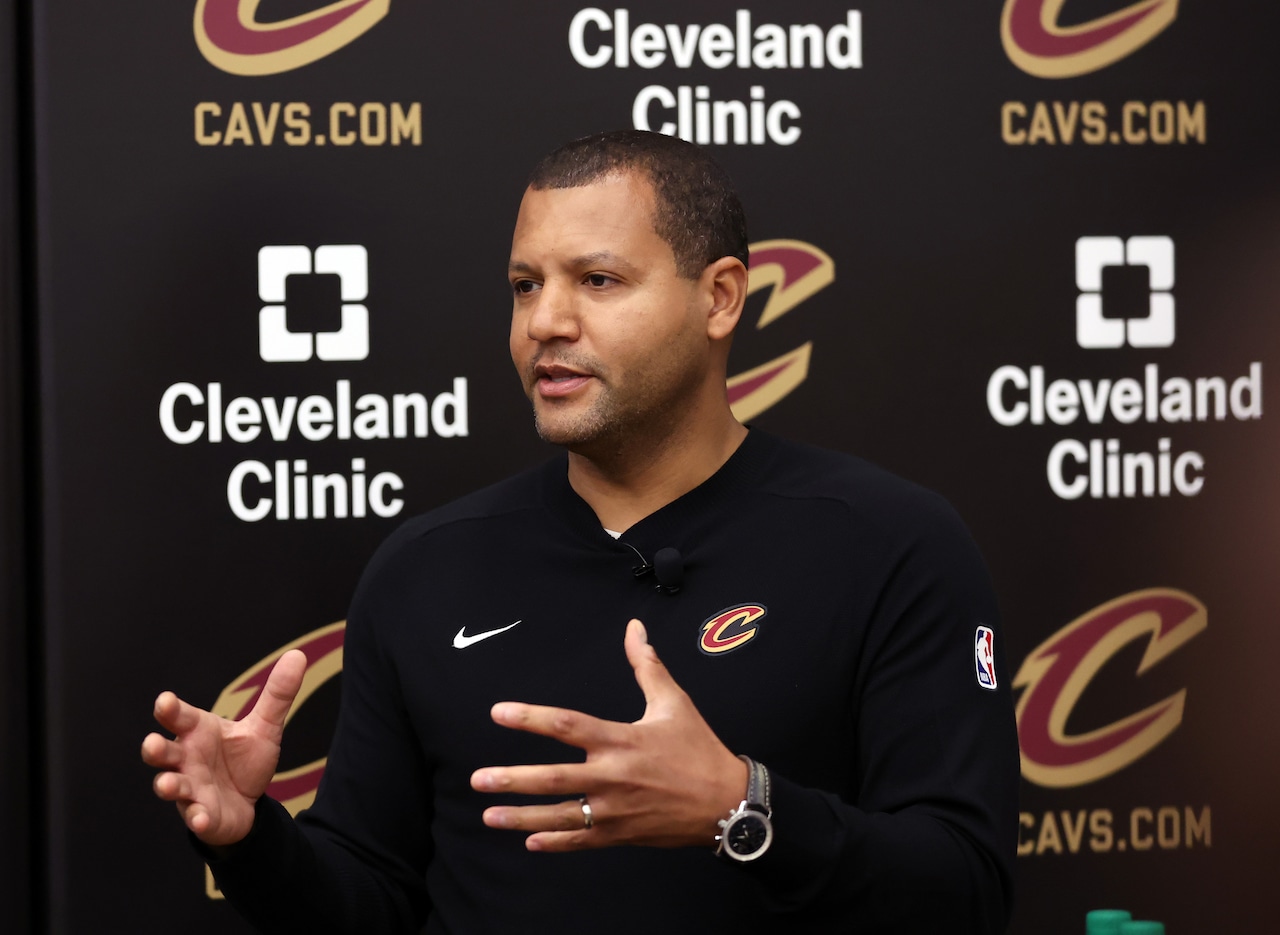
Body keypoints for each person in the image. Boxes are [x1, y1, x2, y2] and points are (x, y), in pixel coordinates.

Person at [143, 129, 1019, 933]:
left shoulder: (891, 543)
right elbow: (374, 899)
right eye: (526, 285)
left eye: (597, 280)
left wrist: (739, 806)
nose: (545, 323)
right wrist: (252, 840)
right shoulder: (425, 567)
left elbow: (965, 891)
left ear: (719, 297)